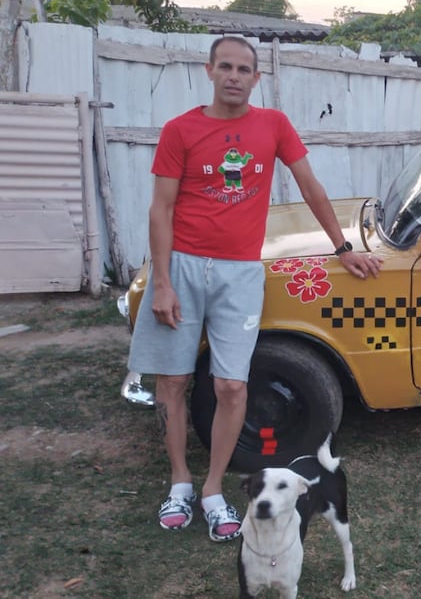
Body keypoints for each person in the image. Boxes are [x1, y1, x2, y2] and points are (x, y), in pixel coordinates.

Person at [127, 36, 383, 542]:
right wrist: (162, 282)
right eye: (226, 66)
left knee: (231, 386)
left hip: (239, 272)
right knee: (173, 383)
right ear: (210, 70)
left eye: (245, 69)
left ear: (256, 78)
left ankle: (213, 489)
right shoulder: (181, 130)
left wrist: (342, 247)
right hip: (182, 267)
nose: (235, 76)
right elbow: (161, 208)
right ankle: (179, 481)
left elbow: (309, 184)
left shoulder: (273, 125)